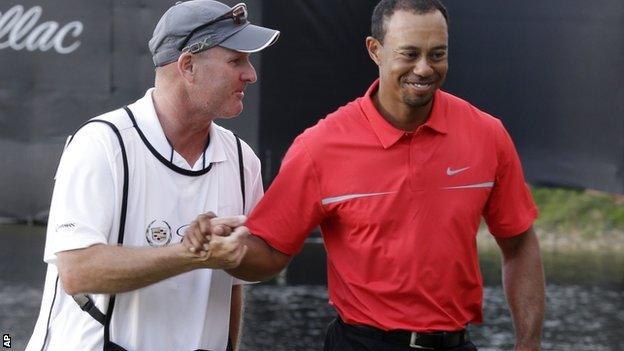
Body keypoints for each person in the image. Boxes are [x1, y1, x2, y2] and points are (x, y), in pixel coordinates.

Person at [184, 0, 545, 350]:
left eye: (437, 54)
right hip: (361, 342)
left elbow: (519, 243)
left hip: (455, 341)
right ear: (375, 50)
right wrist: (228, 251)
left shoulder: (487, 135)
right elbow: (270, 252)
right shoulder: (320, 147)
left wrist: (528, 344)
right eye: (409, 53)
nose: (424, 68)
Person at [26, 1, 279, 350]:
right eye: (236, 60)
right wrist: (191, 254)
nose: (251, 74)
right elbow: (78, 271)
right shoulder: (102, 143)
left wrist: (238, 252)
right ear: (188, 66)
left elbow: (238, 284)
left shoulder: (242, 159)